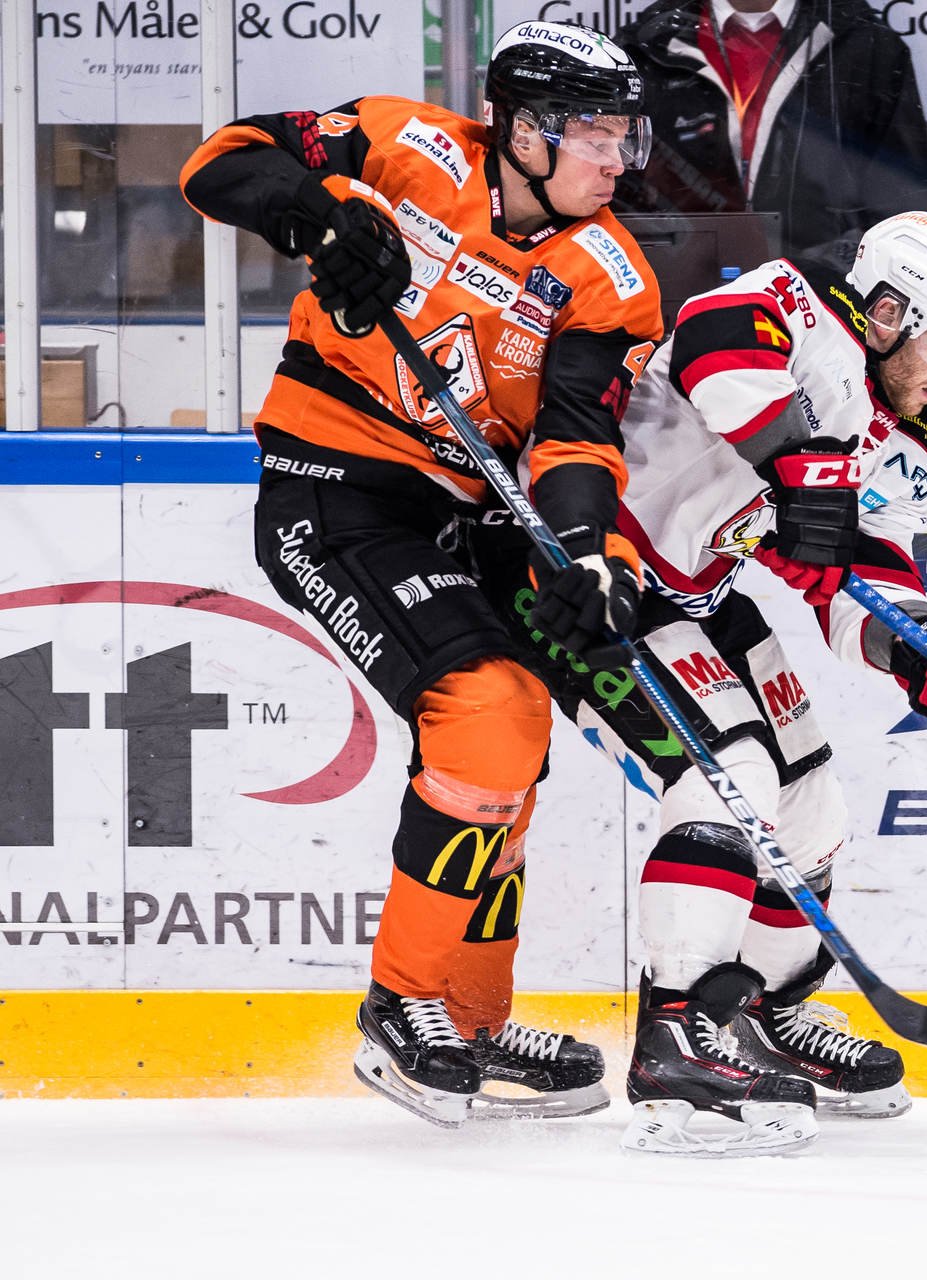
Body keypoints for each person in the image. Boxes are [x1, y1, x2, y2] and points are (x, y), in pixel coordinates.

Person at [179, 20, 664, 1127]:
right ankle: (404, 1006)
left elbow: (578, 437)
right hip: (331, 480)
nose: (615, 157)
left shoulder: (609, 274)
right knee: (487, 707)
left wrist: (590, 548)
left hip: (466, 507)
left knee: (519, 735)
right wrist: (322, 214)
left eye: (626, 134)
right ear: (524, 130)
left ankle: (472, 1016)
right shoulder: (410, 149)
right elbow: (222, 160)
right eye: (594, 131)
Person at [483, 210, 927, 1156]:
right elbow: (710, 341)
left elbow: (866, 585)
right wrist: (801, 472)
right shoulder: (799, 310)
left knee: (812, 803)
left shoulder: (910, 453)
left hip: (698, 591)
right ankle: (673, 1035)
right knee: (727, 772)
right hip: (591, 574)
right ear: (892, 307)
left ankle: (758, 1012)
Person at [612, 0, 927, 269]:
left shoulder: (868, 47)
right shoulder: (643, 48)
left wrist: (833, 273)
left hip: (824, 310)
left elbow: (905, 205)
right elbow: (613, 193)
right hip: (676, 302)